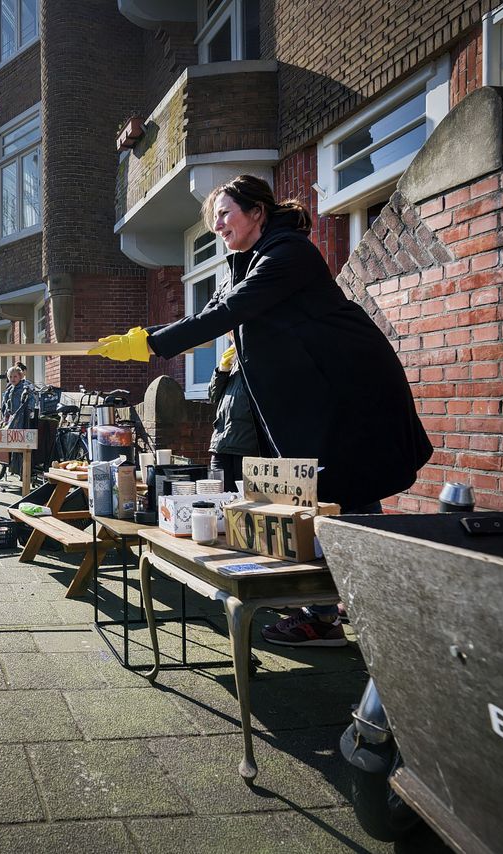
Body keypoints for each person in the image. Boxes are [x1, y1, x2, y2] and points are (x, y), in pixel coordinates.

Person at [89, 174, 432, 647]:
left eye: (225, 214)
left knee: (346, 489)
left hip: (350, 388)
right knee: (327, 492)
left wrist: (149, 344)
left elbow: (226, 314)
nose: (218, 226)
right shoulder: (241, 264)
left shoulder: (288, 253)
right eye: (214, 220)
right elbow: (208, 314)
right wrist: (143, 337)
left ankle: (372, 614)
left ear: (257, 212)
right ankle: (345, 611)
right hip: (311, 397)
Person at [207, 336, 260, 492]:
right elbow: (212, 396)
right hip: (220, 444)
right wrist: (221, 371)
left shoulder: (256, 359)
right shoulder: (233, 362)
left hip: (245, 445)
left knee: (243, 499)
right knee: (216, 495)